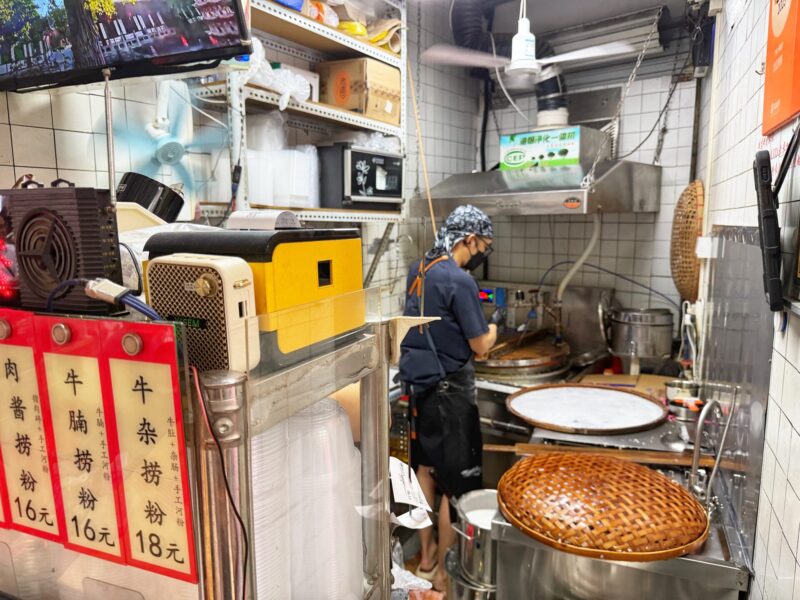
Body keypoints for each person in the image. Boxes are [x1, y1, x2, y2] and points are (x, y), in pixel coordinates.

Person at [399, 205, 505, 591]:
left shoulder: (419, 269)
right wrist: (494, 328)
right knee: (454, 487)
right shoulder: (458, 280)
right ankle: (444, 578)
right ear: (469, 240)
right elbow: (479, 346)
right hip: (450, 396)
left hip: (420, 391)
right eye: (484, 246)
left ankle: (425, 558)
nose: (483, 254)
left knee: (425, 472)